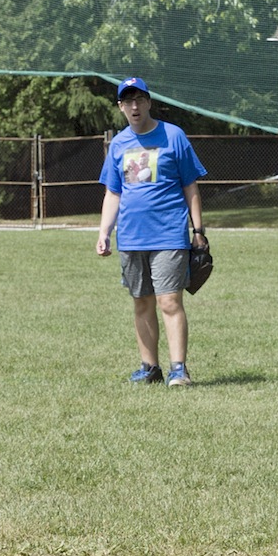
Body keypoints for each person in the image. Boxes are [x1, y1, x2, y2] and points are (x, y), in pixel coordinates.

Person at [95, 77, 207, 387]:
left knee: (169, 302)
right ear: (120, 106)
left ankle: (179, 368)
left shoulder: (174, 136)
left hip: (169, 233)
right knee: (141, 302)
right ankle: (149, 367)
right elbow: (113, 193)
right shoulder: (118, 144)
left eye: (139, 99)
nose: (134, 106)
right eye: (127, 101)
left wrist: (198, 230)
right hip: (131, 237)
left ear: (148, 102)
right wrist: (104, 231)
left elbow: (190, 185)